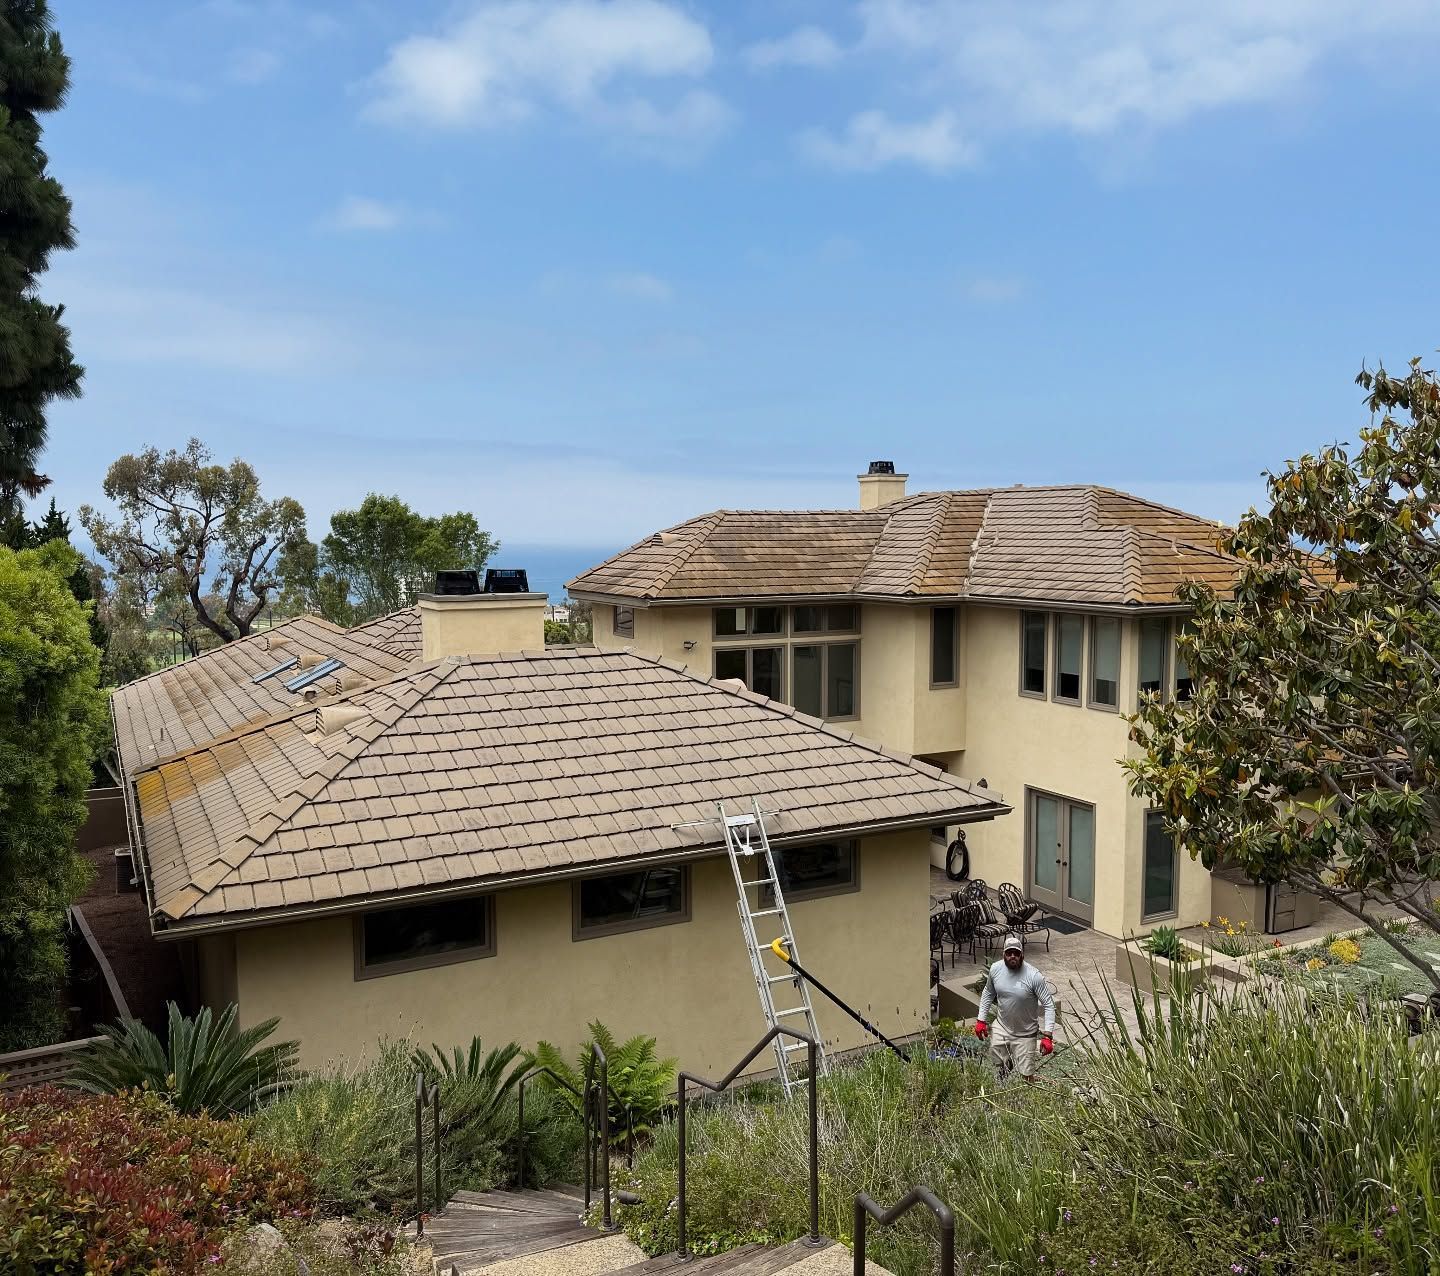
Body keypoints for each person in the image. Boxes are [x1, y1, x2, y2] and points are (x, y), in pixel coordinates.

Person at [975, 934, 1055, 1082]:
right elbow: (987, 993)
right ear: (1003, 954)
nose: (1013, 956)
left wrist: (1048, 1036)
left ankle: (1044, 1082)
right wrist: (981, 1020)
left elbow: (1049, 1005)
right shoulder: (995, 969)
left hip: (1026, 1032)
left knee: (1026, 1076)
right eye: (1009, 953)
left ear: (1022, 955)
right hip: (1002, 1027)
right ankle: (1005, 1075)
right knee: (998, 1062)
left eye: (1016, 953)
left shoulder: (1034, 976)